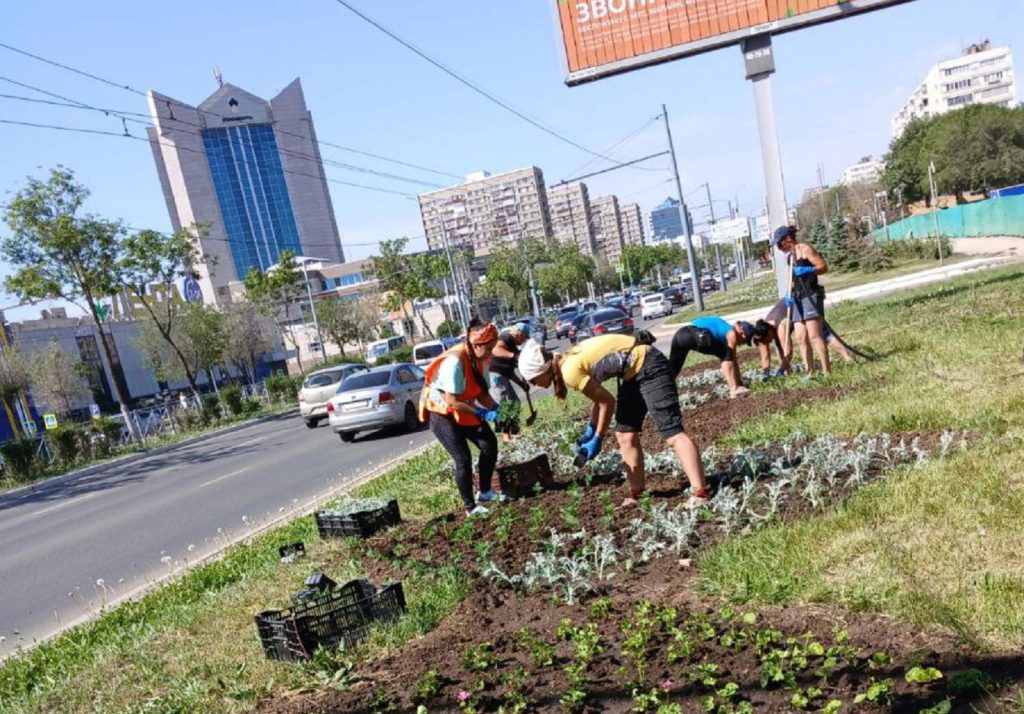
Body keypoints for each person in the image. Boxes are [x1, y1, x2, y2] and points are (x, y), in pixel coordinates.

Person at [518, 334, 711, 508]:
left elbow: (607, 403)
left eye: (533, 380)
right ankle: (638, 494)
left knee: (672, 433)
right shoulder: (566, 361)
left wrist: (598, 439)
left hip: (650, 366)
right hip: (633, 371)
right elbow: (598, 399)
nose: (534, 384)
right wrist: (591, 429)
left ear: (542, 370)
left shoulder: (569, 371)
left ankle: (700, 492)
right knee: (625, 434)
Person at [419, 320, 504, 516]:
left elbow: (482, 393)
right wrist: (483, 413)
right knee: (462, 458)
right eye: (489, 348)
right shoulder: (455, 362)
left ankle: (486, 492)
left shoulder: (481, 359)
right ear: (477, 345)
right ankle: (470, 508)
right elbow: (452, 400)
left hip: (463, 405)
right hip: (442, 410)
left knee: (489, 443)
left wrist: (498, 410)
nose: (491, 352)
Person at [773, 225, 831, 377]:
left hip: (811, 295)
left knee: (814, 335)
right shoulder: (790, 257)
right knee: (800, 337)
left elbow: (824, 267)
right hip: (798, 298)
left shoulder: (806, 249)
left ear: (788, 238)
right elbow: (792, 279)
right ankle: (810, 372)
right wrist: (788, 293)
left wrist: (810, 270)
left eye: (779, 243)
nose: (778, 247)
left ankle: (827, 372)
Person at [753, 299, 853, 376]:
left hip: (801, 305)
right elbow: (767, 354)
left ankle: (848, 358)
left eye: (768, 340)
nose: (769, 342)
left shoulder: (780, 328)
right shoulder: (763, 328)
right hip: (792, 310)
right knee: (783, 347)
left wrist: (781, 370)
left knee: (821, 333)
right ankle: (788, 372)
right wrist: (767, 373)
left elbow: (788, 353)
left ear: (770, 332)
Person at [668, 316, 755, 398]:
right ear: (742, 333)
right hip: (695, 333)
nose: (742, 344)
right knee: (726, 354)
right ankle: (734, 389)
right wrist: (739, 384)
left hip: (680, 334)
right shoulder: (732, 333)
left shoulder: (725, 328)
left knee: (672, 369)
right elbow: (732, 360)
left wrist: (740, 383)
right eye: (745, 341)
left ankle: (663, 394)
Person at [488, 322, 533, 442]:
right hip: (495, 376)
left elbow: (510, 372)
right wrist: (514, 356)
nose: (524, 341)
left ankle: (514, 431)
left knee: (515, 402)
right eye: (524, 337)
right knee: (506, 405)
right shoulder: (506, 337)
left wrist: (521, 383)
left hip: (503, 376)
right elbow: (496, 350)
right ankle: (506, 437)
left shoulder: (512, 345)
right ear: (519, 334)